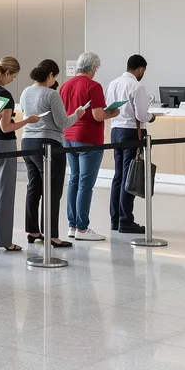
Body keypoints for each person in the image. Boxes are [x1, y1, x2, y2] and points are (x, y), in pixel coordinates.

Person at [20, 61, 85, 248]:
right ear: (50, 75)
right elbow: (62, 122)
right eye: (55, 77)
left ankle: (33, 231)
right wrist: (78, 114)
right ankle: (52, 234)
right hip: (49, 144)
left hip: (27, 143)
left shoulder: (26, 92)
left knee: (34, 187)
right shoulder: (51, 94)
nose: (55, 80)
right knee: (52, 190)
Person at [0, 57, 39, 252]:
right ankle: (3, 240)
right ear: (6, 73)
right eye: (13, 76)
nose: (12, 79)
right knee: (4, 193)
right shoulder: (5, 95)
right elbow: (6, 127)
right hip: (3, 144)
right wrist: (28, 120)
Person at [59, 52, 118, 242]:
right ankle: (82, 228)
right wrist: (114, 112)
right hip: (89, 138)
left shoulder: (65, 86)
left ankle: (72, 225)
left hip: (69, 136)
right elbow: (98, 115)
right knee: (85, 183)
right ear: (93, 68)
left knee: (74, 180)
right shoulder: (94, 86)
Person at [107, 54, 160, 235]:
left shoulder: (113, 84)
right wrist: (152, 117)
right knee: (130, 175)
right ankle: (126, 221)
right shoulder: (137, 86)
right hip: (131, 132)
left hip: (115, 131)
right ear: (140, 69)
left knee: (119, 176)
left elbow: (110, 108)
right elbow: (141, 116)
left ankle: (115, 220)